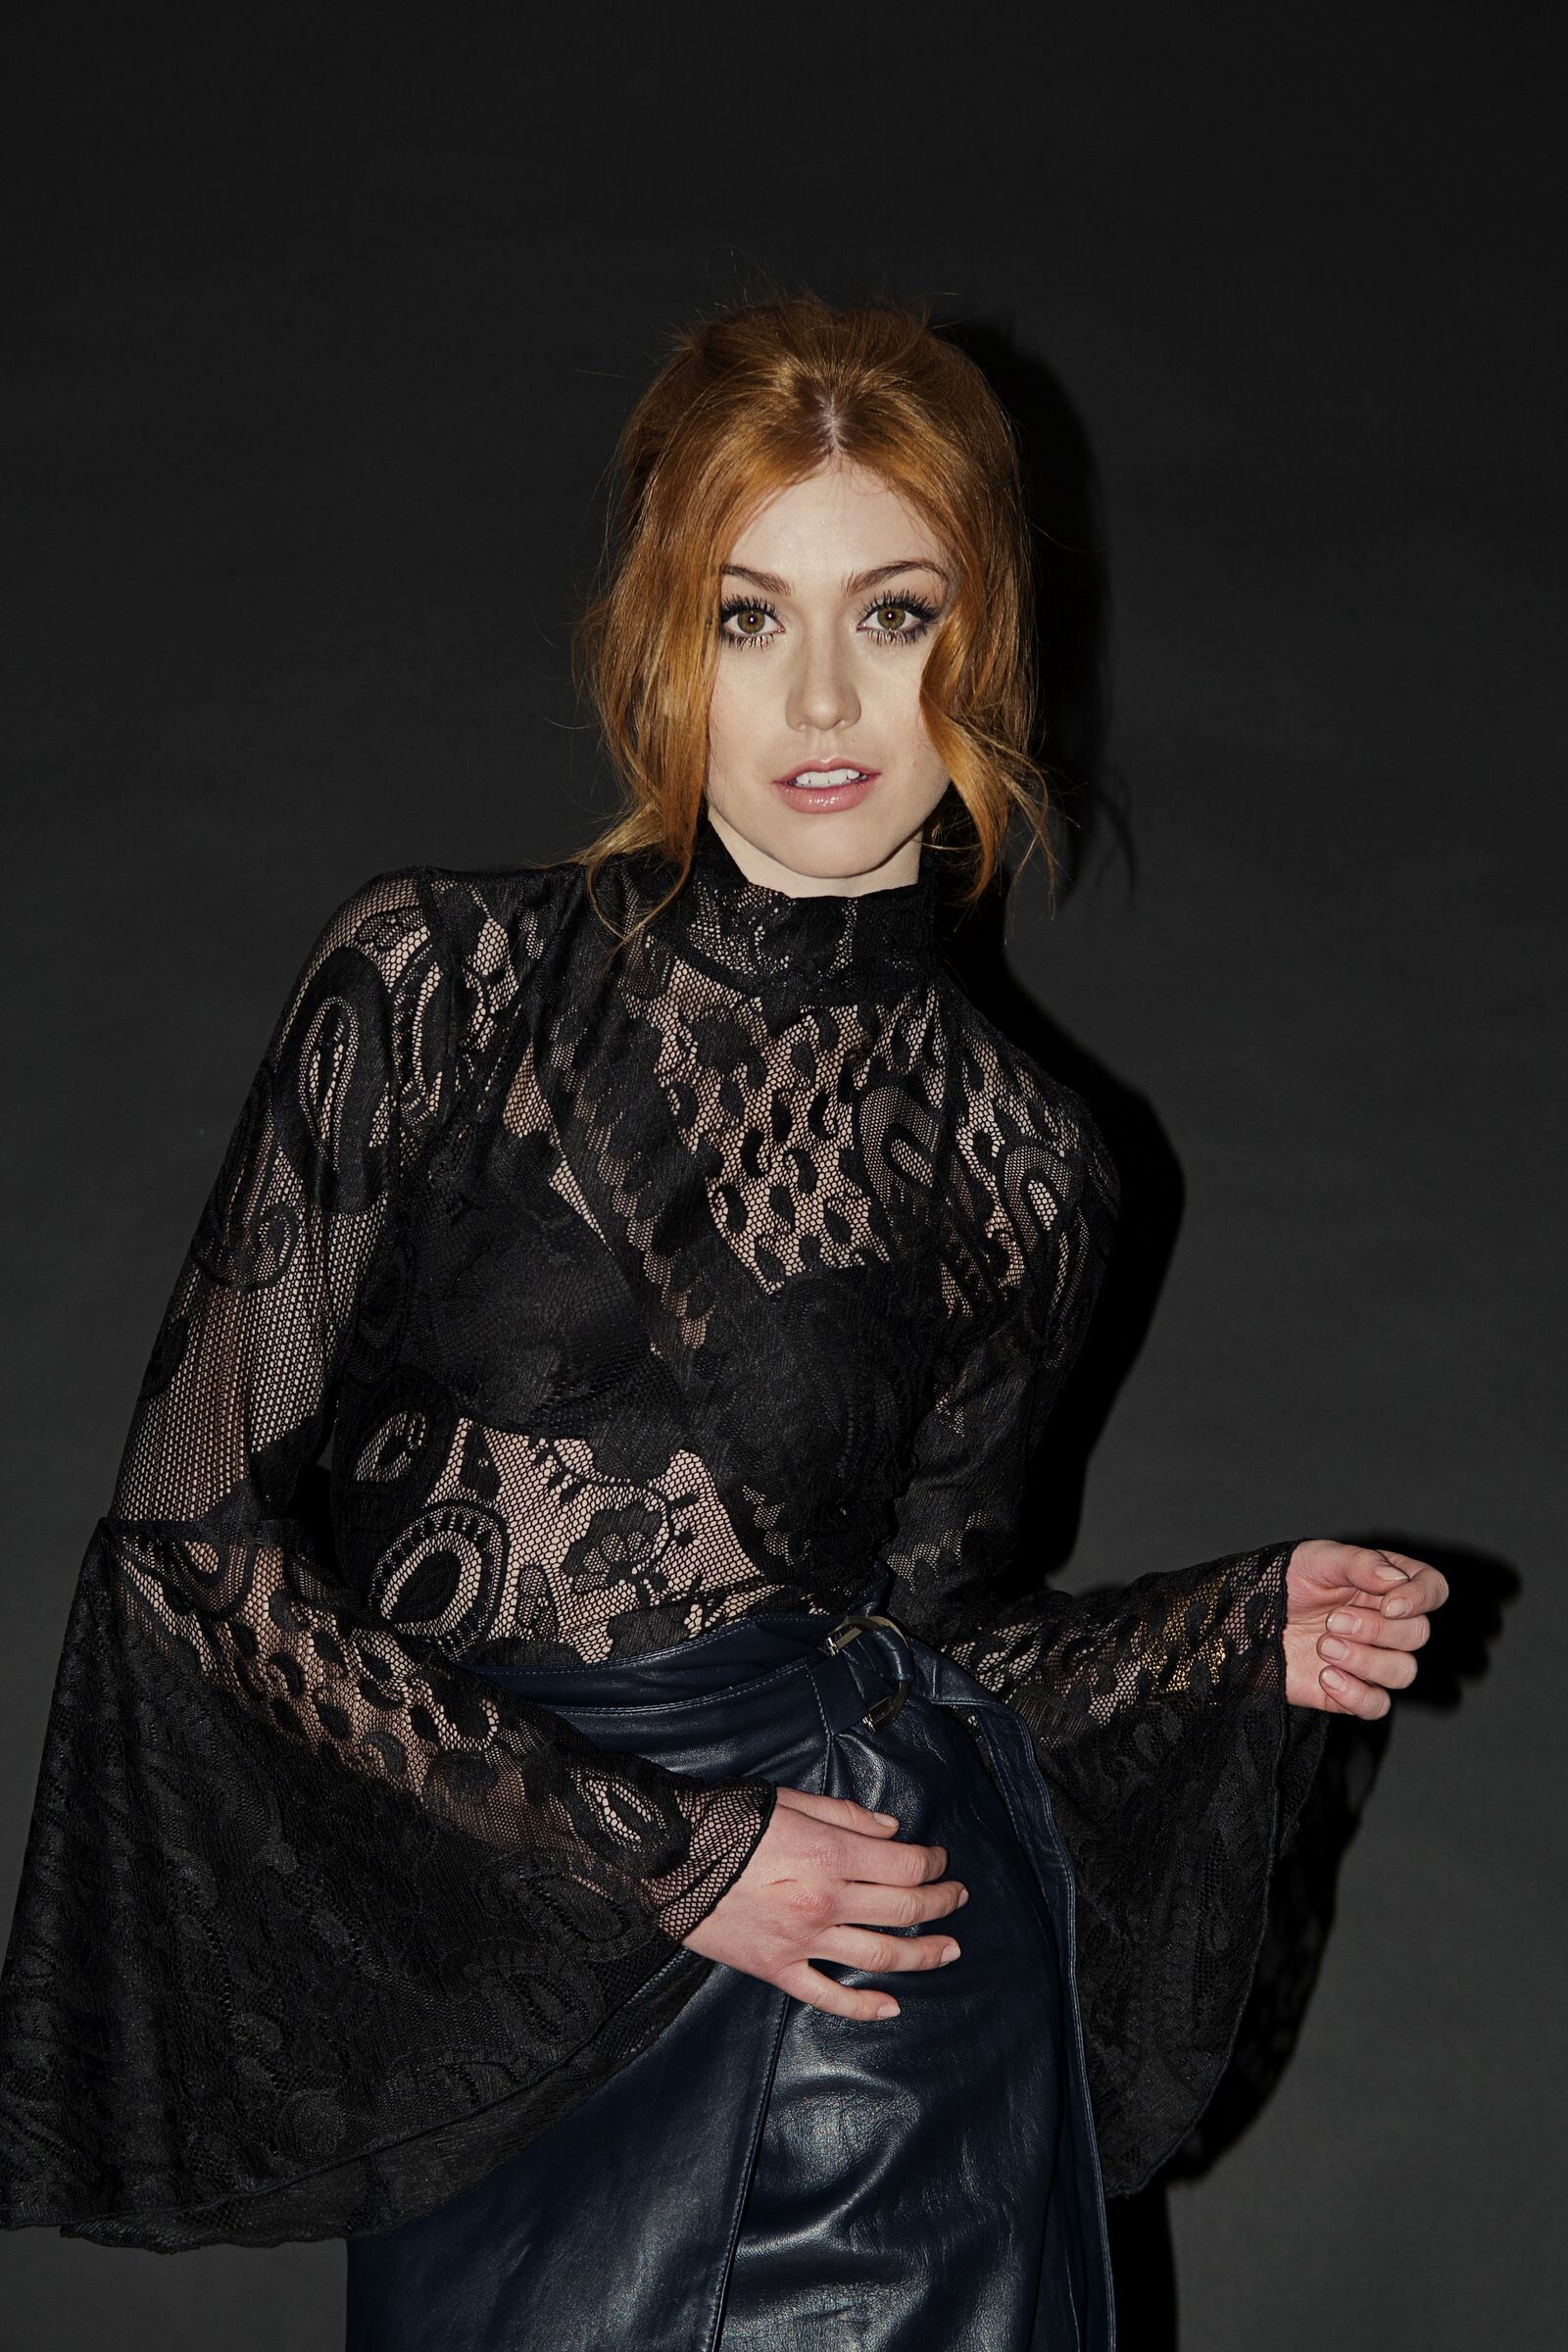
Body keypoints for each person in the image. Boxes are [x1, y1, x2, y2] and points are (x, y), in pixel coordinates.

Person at [0, 292, 1448, 2350]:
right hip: (527, 2002)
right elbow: (188, 1561)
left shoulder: (1033, 1161)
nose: (824, 693)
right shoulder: (436, 981)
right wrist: (663, 1858)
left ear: (980, 643)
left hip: (875, 2016)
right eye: (750, 616)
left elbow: (927, 1638)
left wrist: (1225, 1633)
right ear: (661, 645)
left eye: (894, 612)